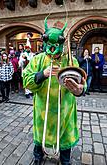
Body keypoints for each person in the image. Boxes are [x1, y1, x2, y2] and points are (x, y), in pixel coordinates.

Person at [23, 18, 86, 165]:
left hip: (65, 111)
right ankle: (38, 157)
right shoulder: (37, 60)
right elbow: (26, 80)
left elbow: (81, 84)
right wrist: (42, 74)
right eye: (49, 45)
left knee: (65, 137)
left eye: (56, 45)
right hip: (43, 110)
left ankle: (65, 160)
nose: (53, 50)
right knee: (40, 136)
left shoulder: (71, 60)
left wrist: (79, 89)